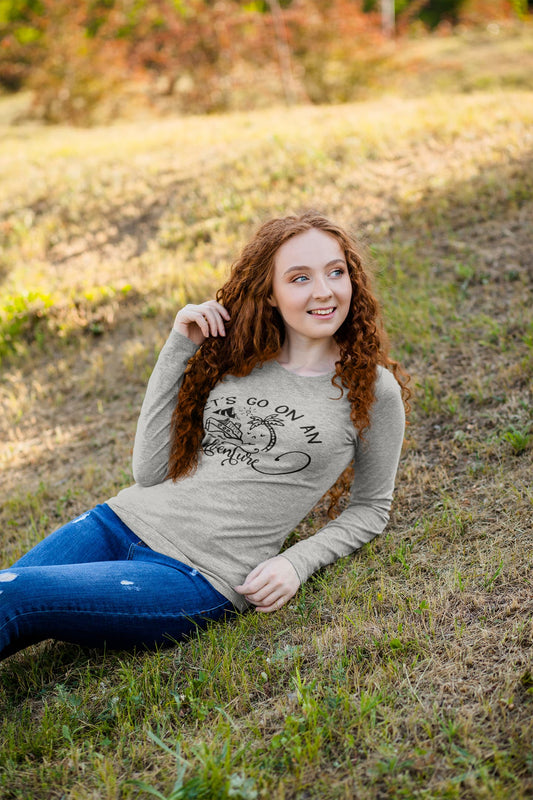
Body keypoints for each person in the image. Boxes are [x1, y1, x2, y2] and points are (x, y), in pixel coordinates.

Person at [0, 211, 409, 661]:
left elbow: (371, 508)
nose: (324, 291)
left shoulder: (371, 389)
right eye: (299, 278)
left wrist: (297, 561)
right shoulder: (242, 357)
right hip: (116, 521)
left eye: (336, 272)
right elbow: (149, 470)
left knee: (16, 597)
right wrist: (178, 344)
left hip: (194, 575)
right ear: (269, 294)